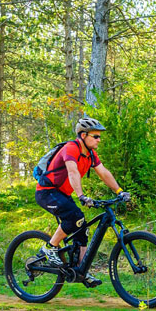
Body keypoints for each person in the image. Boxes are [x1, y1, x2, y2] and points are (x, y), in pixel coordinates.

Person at [35, 116, 128, 286]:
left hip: (62, 193)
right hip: (47, 192)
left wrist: (119, 191)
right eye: (95, 136)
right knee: (74, 216)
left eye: (100, 136)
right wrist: (81, 196)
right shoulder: (71, 148)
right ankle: (49, 247)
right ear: (83, 135)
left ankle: (80, 270)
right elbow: (72, 172)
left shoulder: (91, 154)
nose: (99, 139)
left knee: (82, 228)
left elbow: (104, 173)